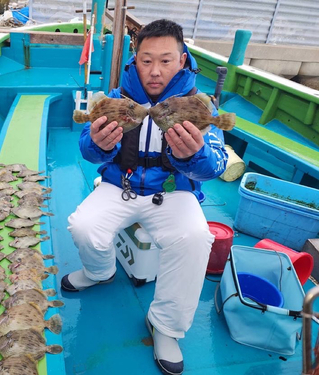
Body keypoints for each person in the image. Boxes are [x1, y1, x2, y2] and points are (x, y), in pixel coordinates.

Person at [60, 19, 228, 375]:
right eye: (146, 60)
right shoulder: (114, 97)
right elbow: (87, 150)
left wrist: (194, 156)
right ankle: (100, 271)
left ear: (182, 60)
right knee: (83, 225)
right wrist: (97, 145)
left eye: (165, 61)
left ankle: (165, 326)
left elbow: (216, 165)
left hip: (174, 192)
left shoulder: (202, 105)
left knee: (197, 238)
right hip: (121, 183)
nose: (155, 71)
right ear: (135, 60)